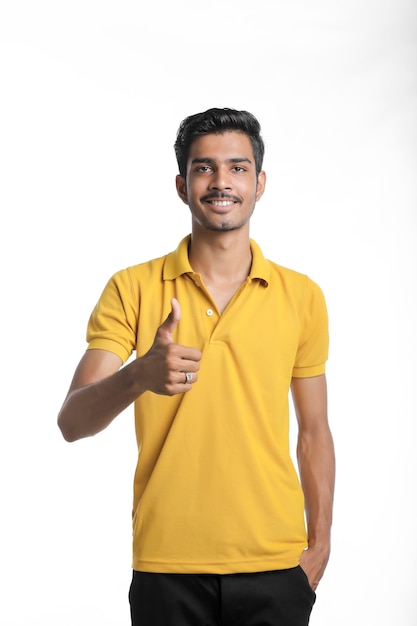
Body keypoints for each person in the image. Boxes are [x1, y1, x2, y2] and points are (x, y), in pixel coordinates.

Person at [57, 107, 335, 626]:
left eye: (237, 167)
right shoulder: (133, 287)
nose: (221, 182)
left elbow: (314, 430)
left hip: (277, 564)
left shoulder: (302, 296)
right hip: (168, 566)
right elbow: (72, 422)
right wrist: (139, 375)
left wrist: (318, 546)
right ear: (182, 185)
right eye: (205, 168)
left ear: (260, 182)